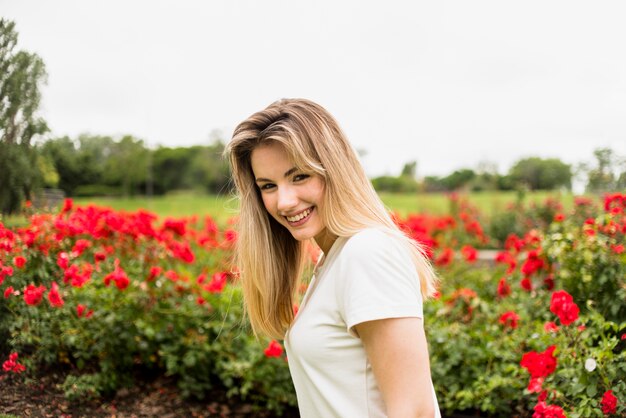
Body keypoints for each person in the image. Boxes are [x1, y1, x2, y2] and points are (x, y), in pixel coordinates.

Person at [225, 98, 441, 418]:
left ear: (334, 170)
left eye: (299, 176)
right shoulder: (332, 261)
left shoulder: (366, 252)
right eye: (268, 186)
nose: (284, 202)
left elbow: (414, 411)